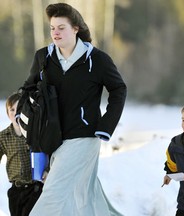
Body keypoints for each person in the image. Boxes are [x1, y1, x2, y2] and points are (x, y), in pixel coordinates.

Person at [19, 3, 127, 216]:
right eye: (52, 28)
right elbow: (28, 89)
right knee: (84, 196)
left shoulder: (97, 60)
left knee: (54, 192)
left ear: (75, 28)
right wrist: (26, 115)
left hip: (84, 137)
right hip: (51, 137)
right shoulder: (43, 57)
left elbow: (118, 89)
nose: (55, 33)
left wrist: (106, 125)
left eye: (61, 27)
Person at [0, 92, 44, 216]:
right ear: (8, 113)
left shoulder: (35, 133)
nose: (15, 112)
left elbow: (45, 153)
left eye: (19, 108)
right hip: (16, 189)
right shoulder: (3, 137)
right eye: (12, 109)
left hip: (34, 187)